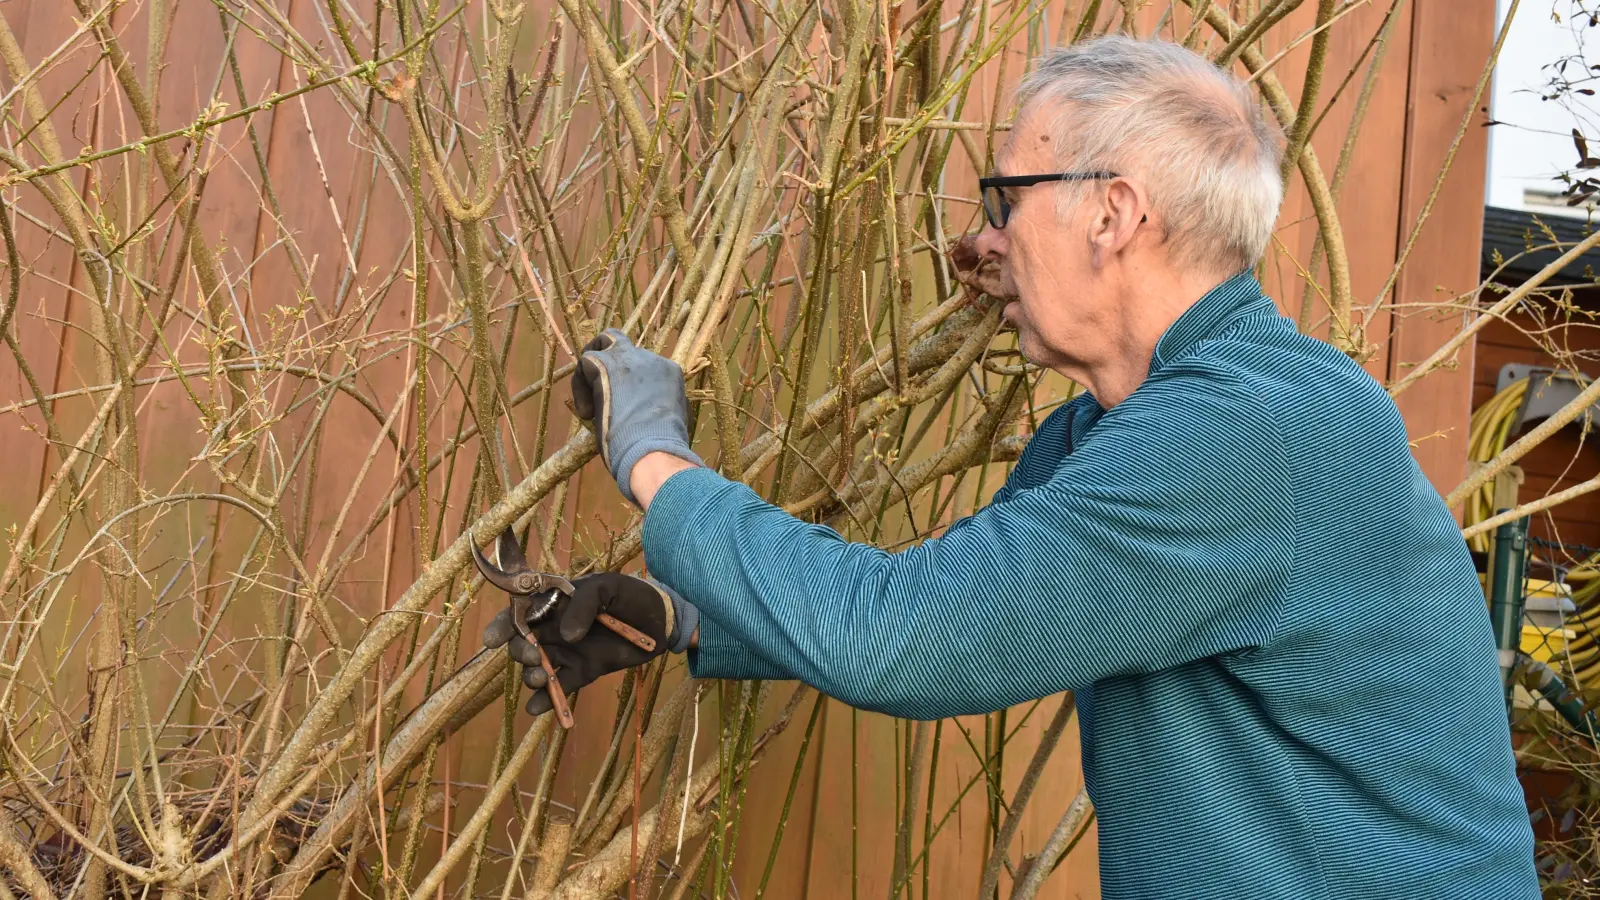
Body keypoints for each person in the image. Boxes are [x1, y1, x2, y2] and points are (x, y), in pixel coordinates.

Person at [481, 35, 1538, 899]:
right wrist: (679, 616)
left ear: (1112, 215)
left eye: (1005, 196)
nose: (985, 237)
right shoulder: (1128, 430)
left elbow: (898, 640)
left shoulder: (1245, 429)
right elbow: (963, 611)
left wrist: (651, 453)